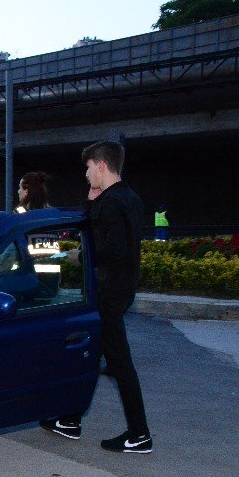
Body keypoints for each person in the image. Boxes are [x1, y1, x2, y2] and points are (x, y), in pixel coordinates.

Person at [44, 141, 152, 454]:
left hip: (108, 293)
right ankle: (70, 419)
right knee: (91, 355)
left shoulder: (111, 203)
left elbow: (112, 248)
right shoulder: (130, 197)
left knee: (120, 363)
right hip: (122, 289)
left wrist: (81, 255)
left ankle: (140, 433)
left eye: (89, 168)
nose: (87, 174)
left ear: (101, 166)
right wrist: (93, 201)